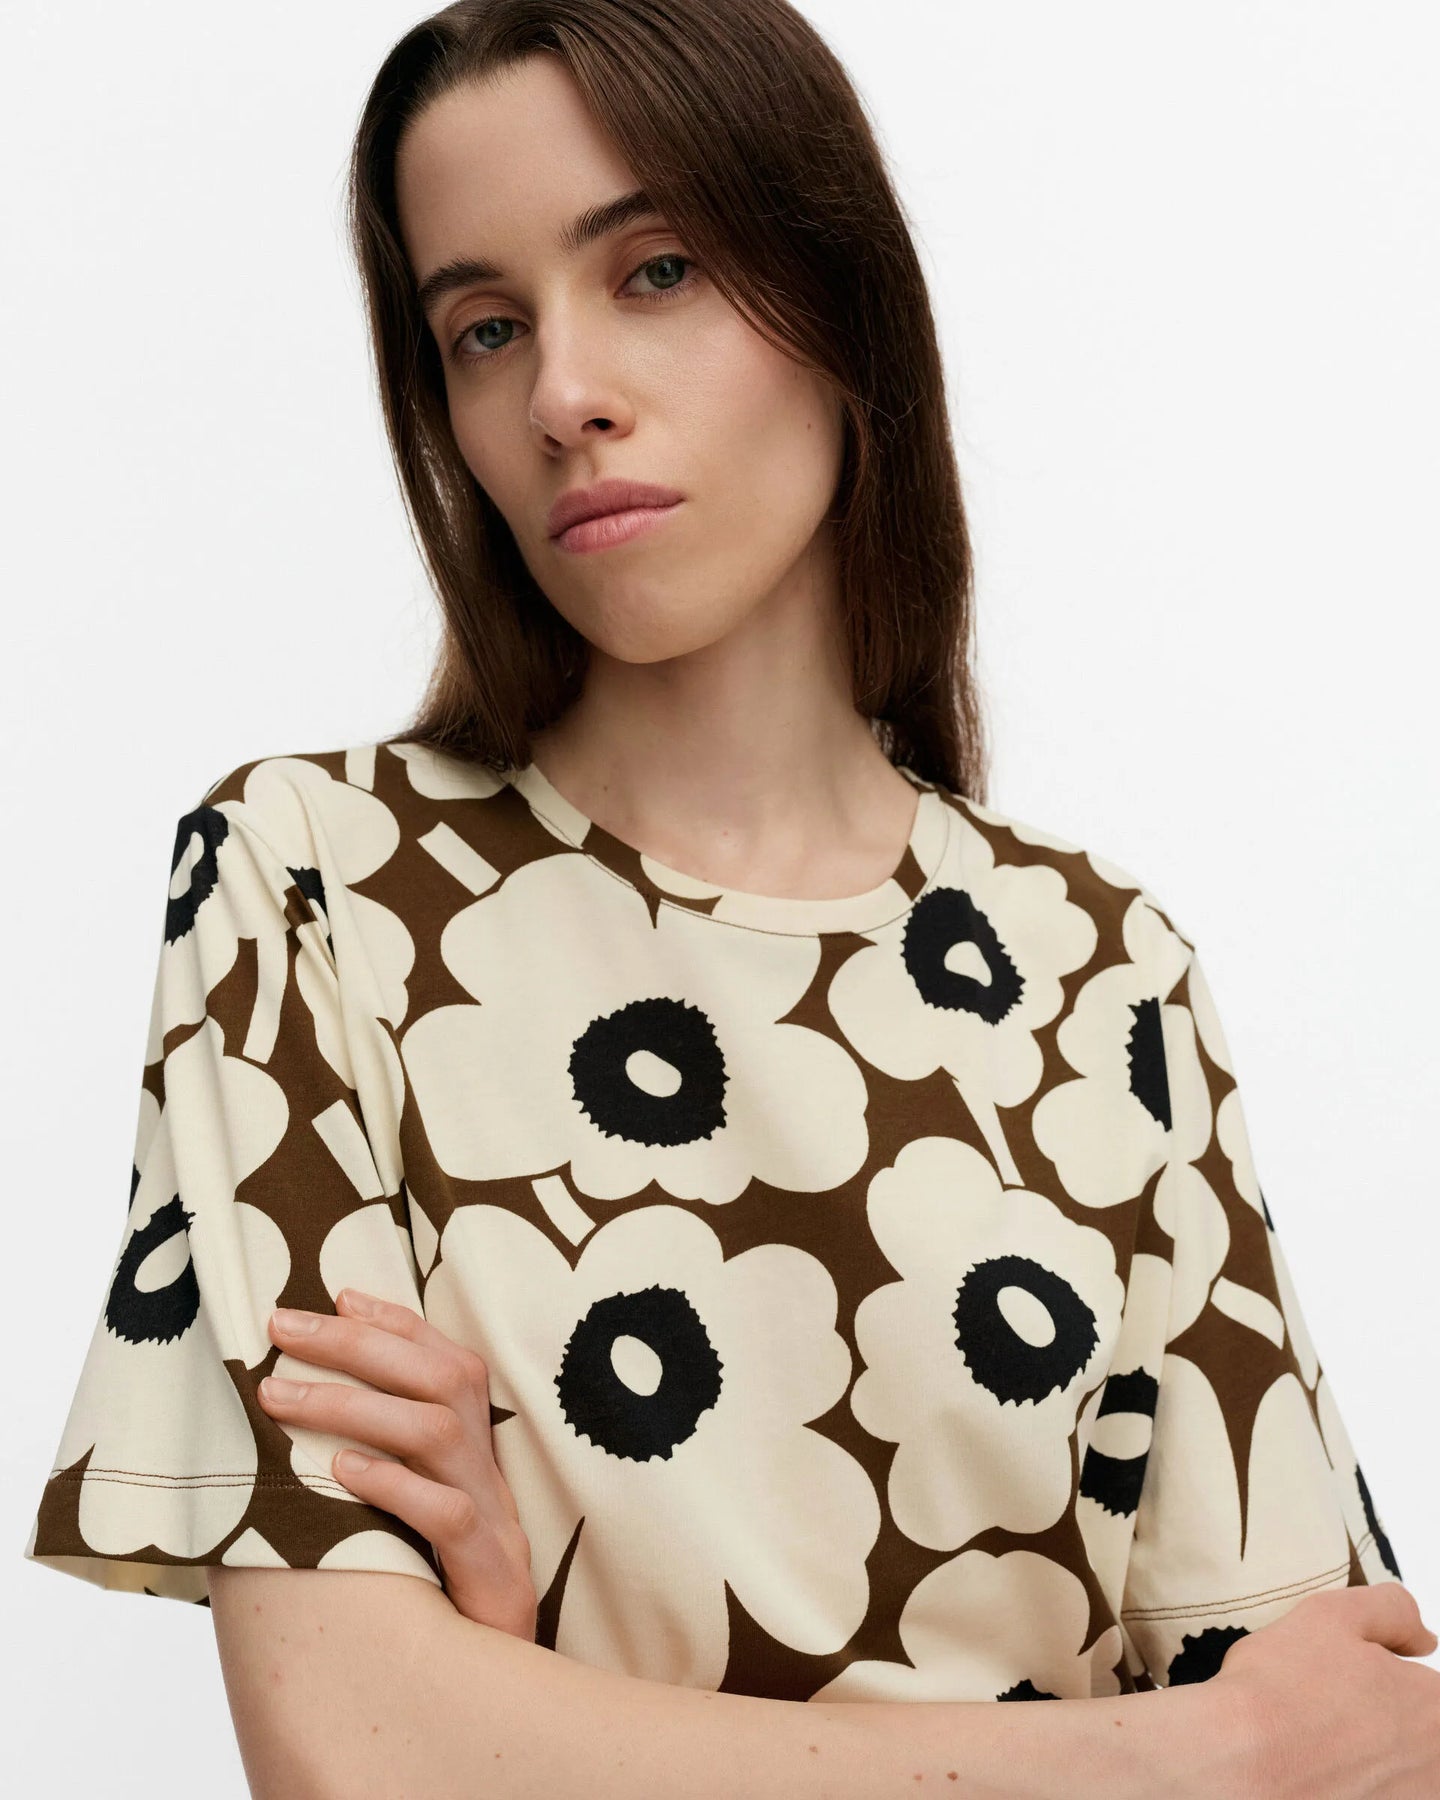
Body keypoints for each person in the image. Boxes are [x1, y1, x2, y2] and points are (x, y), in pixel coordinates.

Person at [24, 2, 1434, 1794]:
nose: (561, 395)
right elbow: (354, 1748)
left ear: (843, 300)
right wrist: (1189, 1760)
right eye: (483, 328)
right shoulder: (316, 889)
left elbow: (1359, 1748)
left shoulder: (1100, 971)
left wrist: (514, 1664)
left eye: (659, 270)